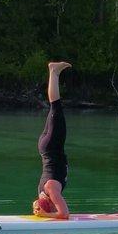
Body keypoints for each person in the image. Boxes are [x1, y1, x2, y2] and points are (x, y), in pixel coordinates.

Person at [33, 62, 71, 219]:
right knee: (53, 109)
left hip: (52, 146)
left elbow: (64, 214)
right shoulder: (42, 191)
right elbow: (38, 203)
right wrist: (41, 210)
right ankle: (54, 73)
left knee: (56, 106)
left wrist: (46, 215)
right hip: (46, 147)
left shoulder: (51, 189)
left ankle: (54, 71)